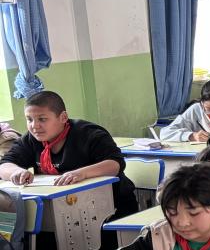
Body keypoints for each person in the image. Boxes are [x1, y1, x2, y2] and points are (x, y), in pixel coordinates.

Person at [0, 90, 138, 227]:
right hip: (61, 207)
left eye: (42, 119)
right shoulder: (31, 139)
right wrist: (16, 172)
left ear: (63, 117)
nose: (34, 126)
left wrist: (81, 173)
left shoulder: (89, 134)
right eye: (29, 119)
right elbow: (5, 164)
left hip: (111, 207)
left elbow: (115, 164)